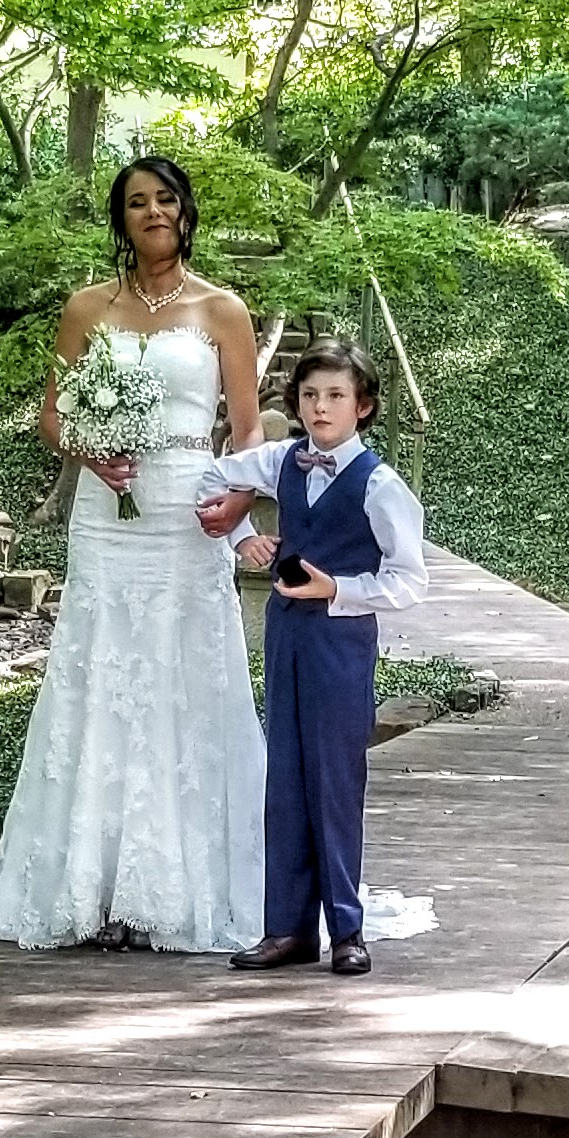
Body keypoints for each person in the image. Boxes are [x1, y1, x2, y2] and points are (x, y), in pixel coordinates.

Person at [0, 156, 268, 952]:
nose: (153, 211)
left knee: (184, 677)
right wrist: (90, 452)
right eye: (136, 202)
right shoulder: (88, 306)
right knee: (102, 674)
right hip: (106, 514)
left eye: (165, 199)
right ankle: (90, 884)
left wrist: (239, 499)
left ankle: (177, 888)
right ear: (121, 219)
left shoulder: (223, 309)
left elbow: (249, 427)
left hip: (189, 512)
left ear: (185, 211)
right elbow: (53, 417)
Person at [197, 340, 429, 975]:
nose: (320, 407)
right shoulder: (281, 460)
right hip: (286, 635)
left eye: (335, 396)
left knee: (334, 780)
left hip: (341, 642)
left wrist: (338, 589)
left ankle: (347, 930)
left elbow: (410, 580)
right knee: (285, 779)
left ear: (363, 406)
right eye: (309, 396)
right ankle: (288, 929)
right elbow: (212, 478)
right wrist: (243, 535)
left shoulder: (379, 484)